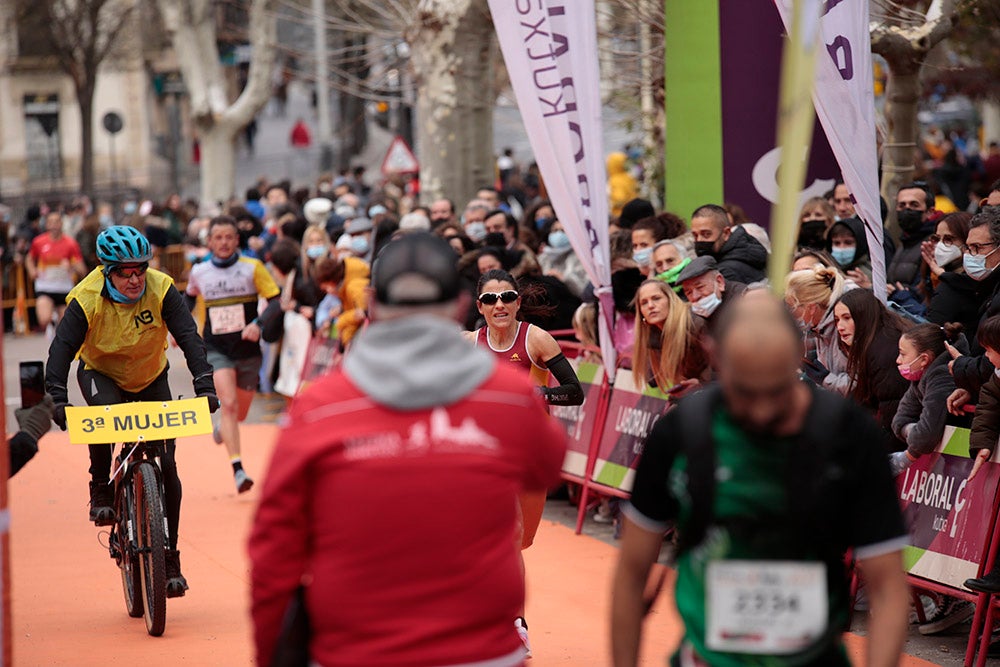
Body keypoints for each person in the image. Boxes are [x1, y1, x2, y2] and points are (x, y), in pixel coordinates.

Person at [249, 233, 566, 666]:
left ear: (373, 305)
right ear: (459, 305)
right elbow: (547, 462)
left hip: (358, 647)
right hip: (479, 650)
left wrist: (272, 653)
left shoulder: (320, 405)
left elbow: (273, 548)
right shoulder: (507, 396)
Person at [611, 293, 910, 667]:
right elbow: (631, 574)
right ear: (715, 355)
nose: (763, 409)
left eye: (775, 389)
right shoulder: (681, 432)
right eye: (745, 391)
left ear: (797, 355)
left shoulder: (849, 434)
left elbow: (888, 588)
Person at [46, 225, 219, 597]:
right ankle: (100, 489)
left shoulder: (161, 288)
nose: (135, 278)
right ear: (107, 271)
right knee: (104, 418)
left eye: (140, 269)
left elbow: (190, 338)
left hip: (150, 375)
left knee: (168, 463)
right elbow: (59, 352)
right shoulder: (86, 297)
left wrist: (205, 384)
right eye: (125, 272)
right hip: (101, 372)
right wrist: (57, 398)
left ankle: (169, 556)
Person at [464, 267, 583, 653]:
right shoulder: (467, 344)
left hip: (528, 454)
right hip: (485, 459)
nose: (500, 305)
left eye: (507, 297)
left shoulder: (536, 339)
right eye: (490, 299)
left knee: (520, 541)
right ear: (480, 307)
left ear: (517, 302)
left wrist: (541, 397)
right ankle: (513, 623)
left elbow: (574, 392)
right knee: (505, 537)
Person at [185, 216, 281, 493]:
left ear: (236, 240)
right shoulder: (200, 271)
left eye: (229, 237)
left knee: (239, 413)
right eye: (218, 238)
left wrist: (258, 325)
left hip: (248, 350)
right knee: (227, 404)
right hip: (216, 348)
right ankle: (238, 470)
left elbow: (276, 302)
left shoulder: (252, 268)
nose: (224, 243)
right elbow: (187, 299)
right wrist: (179, 331)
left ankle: (224, 430)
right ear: (210, 242)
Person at [831, 289, 912, 449]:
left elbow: (893, 410)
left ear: (863, 316)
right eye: (837, 319)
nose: (840, 327)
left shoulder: (885, 349)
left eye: (847, 318)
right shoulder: (876, 341)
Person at [891, 322, 966, 474]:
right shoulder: (920, 375)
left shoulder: (942, 376)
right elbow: (899, 420)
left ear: (924, 359)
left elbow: (925, 437)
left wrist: (907, 457)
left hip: (962, 463)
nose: (898, 360)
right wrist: (913, 431)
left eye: (903, 354)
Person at [631, 279, 710, 396]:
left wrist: (702, 383)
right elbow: (653, 380)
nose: (651, 306)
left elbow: (726, 365)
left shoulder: (694, 322)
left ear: (670, 299)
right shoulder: (653, 338)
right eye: (644, 303)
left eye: (656, 298)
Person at [785, 265, 853, 395]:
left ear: (811, 308)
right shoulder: (818, 330)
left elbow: (859, 384)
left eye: (792, 307)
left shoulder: (845, 329)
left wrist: (825, 379)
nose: (791, 313)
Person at [27, 210, 87, 335]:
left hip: (64, 288)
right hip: (45, 286)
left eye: (56, 222)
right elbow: (29, 258)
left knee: (65, 326)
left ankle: (57, 331)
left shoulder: (71, 243)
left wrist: (71, 265)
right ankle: (52, 321)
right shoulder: (39, 242)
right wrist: (32, 271)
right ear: (47, 224)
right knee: (43, 318)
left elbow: (82, 269)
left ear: (61, 224)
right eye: (50, 222)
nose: (53, 225)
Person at [689, 204, 767, 284]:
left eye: (706, 234)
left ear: (726, 233)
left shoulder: (726, 271)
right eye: (695, 235)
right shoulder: (746, 251)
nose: (699, 240)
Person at [676, 255, 746, 334]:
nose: (695, 296)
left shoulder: (744, 301)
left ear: (719, 282)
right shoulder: (695, 319)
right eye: (689, 292)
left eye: (700, 287)